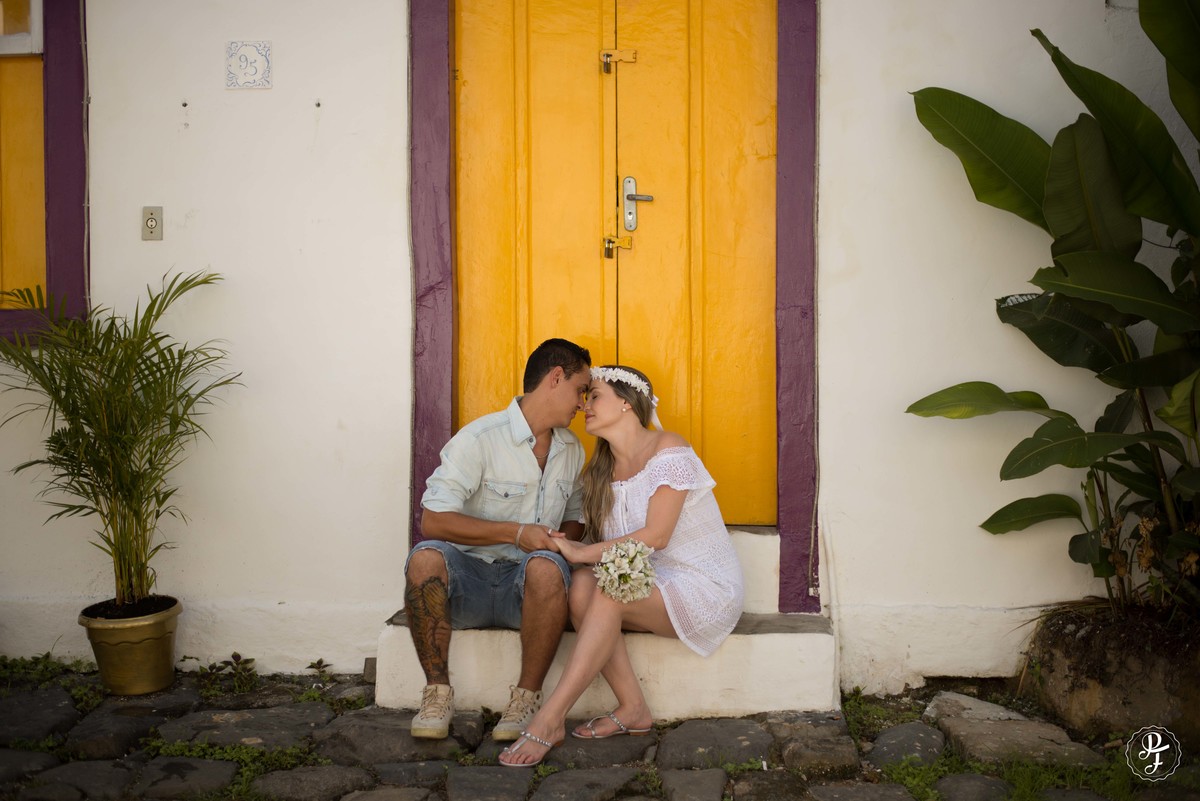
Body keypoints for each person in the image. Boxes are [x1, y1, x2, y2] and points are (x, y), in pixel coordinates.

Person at [498, 364, 744, 767]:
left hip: (702, 585)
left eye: (594, 395)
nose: (584, 404)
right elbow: (609, 548)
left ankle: (549, 718)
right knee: (581, 586)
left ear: (627, 404)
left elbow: (657, 536)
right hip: (647, 582)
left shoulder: (669, 450)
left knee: (611, 588)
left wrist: (580, 552)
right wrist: (564, 543)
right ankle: (633, 709)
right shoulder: (599, 472)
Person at [405, 338, 592, 741]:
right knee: (424, 558)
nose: (582, 403)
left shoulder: (572, 449)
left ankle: (525, 699)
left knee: (546, 566)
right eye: (580, 389)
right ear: (555, 378)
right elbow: (433, 521)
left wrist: (563, 542)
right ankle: (437, 694)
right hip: (468, 586)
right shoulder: (478, 439)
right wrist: (516, 533)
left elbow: (576, 515)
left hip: (529, 595)